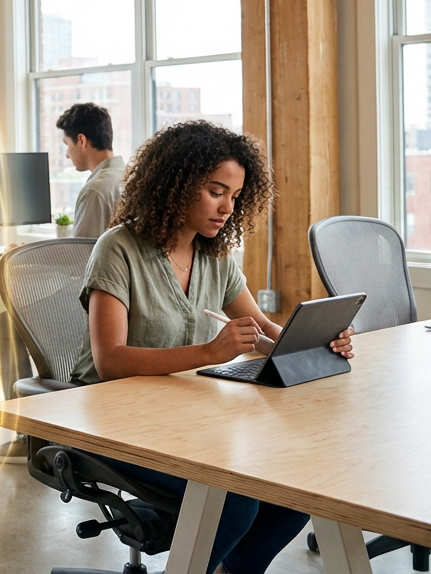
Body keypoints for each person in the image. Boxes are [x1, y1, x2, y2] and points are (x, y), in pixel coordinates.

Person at [69, 119, 354, 574]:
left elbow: (261, 326)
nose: (227, 207)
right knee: (234, 499)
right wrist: (209, 353)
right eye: (216, 191)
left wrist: (315, 340)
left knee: (300, 481)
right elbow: (110, 361)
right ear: (175, 184)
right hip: (109, 421)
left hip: (184, 413)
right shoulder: (118, 248)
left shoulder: (215, 254)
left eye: (236, 196)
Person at [56, 103, 124, 238]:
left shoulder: (95, 191)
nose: (67, 154)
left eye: (67, 144)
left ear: (81, 140)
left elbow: (80, 255)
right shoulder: (127, 176)